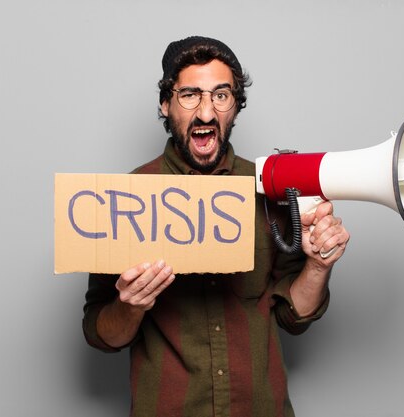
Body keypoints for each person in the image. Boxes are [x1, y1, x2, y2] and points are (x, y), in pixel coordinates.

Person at [82, 35, 350, 417]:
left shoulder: (270, 190)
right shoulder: (125, 199)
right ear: (165, 103)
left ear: (235, 108)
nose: (206, 112)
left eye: (221, 95)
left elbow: (293, 318)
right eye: (190, 94)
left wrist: (318, 267)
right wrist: (130, 306)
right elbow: (100, 334)